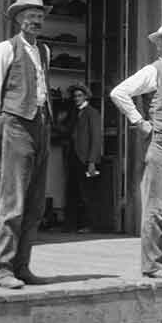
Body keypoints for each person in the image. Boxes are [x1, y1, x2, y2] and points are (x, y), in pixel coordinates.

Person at [0, 0, 54, 289]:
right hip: (15, 125)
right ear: (18, 19)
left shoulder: (45, 51)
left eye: (39, 16)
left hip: (41, 126)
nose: (35, 20)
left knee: (35, 203)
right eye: (29, 15)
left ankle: (22, 267)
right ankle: (2, 270)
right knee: (13, 201)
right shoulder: (5, 49)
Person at [110, 21, 162, 279]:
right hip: (160, 143)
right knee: (157, 207)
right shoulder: (152, 71)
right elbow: (119, 93)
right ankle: (152, 265)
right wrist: (139, 122)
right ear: (157, 44)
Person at [66, 83, 103, 233]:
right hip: (74, 157)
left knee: (87, 193)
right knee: (73, 191)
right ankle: (73, 224)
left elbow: (95, 138)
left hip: (85, 158)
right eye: (75, 96)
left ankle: (89, 224)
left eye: (79, 96)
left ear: (86, 96)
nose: (76, 99)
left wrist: (92, 161)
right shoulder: (74, 113)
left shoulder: (92, 113)